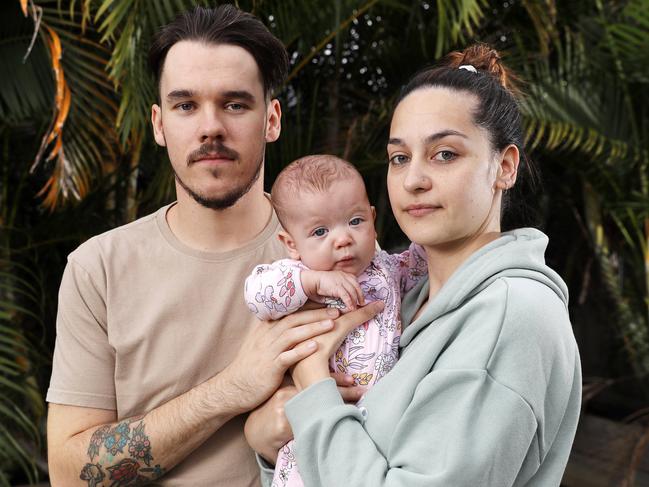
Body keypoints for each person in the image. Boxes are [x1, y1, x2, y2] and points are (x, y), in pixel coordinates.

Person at [45, 6, 379, 486]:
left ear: (272, 119)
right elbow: (67, 473)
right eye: (186, 106)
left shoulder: (343, 251)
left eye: (235, 104)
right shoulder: (98, 268)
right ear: (159, 125)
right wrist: (232, 389)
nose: (211, 128)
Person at [245, 44, 582, 486]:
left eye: (445, 154)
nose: (413, 180)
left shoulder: (509, 314)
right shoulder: (403, 297)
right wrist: (274, 446)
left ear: (504, 166)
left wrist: (311, 384)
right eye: (400, 157)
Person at [244, 155, 428, 486]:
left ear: (373, 219)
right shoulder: (297, 275)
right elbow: (257, 294)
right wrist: (311, 283)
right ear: (291, 244)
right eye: (320, 231)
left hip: (374, 425)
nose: (342, 239)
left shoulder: (389, 268)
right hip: (312, 424)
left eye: (355, 221)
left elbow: (428, 256)